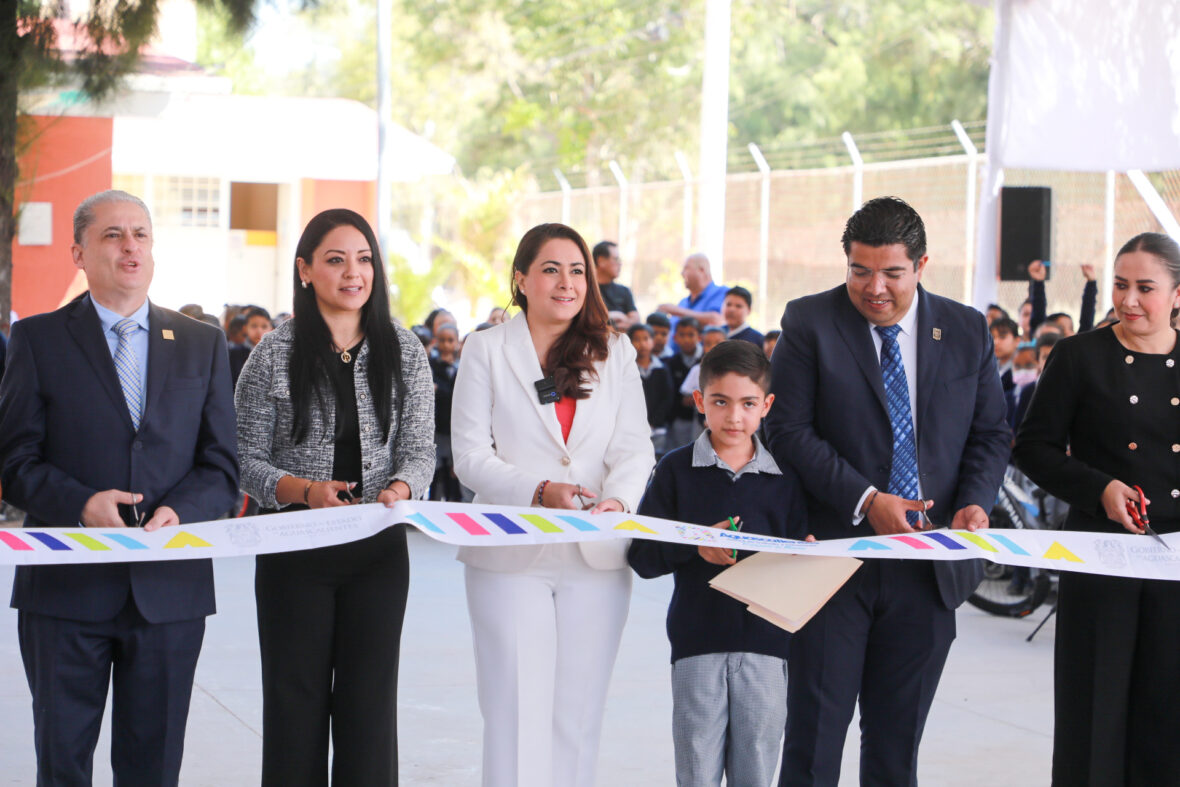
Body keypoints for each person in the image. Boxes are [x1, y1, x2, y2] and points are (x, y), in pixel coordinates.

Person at [766, 196, 1010, 786]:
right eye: (860, 270)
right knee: (815, 742)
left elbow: (990, 433)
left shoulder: (965, 329)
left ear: (922, 265)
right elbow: (787, 430)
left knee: (897, 748)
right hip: (835, 561)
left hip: (929, 568)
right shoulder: (809, 322)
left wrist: (975, 500)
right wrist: (868, 500)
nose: (875, 288)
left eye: (892, 273)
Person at [0, 189, 239, 785]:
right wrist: (80, 503)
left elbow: (221, 467)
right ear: (78, 252)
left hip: (168, 593)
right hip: (66, 592)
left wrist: (179, 511)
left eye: (140, 234)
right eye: (112, 235)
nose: (130, 246)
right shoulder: (37, 340)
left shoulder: (202, 343)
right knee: (63, 763)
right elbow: (15, 459)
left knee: (153, 768)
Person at [235, 208, 435, 786]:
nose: (354, 273)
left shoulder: (404, 349)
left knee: (368, 710)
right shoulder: (272, 354)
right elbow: (246, 460)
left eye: (365, 259)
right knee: (293, 708)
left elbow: (422, 451)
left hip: (376, 550)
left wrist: (399, 487)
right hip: (294, 547)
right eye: (336, 259)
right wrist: (302, 491)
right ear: (305, 270)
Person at [451, 222, 654, 787]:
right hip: (510, 552)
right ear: (520, 279)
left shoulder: (613, 352)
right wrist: (538, 492)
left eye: (577, 270)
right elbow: (469, 455)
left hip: (596, 554)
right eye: (550, 269)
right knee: (515, 712)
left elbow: (635, 445)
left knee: (579, 716)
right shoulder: (486, 350)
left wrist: (619, 500)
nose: (567, 283)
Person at [1013, 232, 1180, 786]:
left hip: (1174, 566)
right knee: (1095, 712)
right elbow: (1033, 447)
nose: (1129, 300)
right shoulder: (1079, 355)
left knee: (1167, 712)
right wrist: (1100, 488)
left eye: (1146, 288)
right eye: (1120, 285)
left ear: (1177, 293)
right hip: (1099, 559)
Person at [628, 340, 807, 787]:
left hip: (767, 647)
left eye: (748, 404)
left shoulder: (785, 478)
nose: (734, 417)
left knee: (756, 770)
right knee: (696, 769)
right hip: (697, 643)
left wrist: (804, 555)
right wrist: (695, 545)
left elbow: (799, 560)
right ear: (699, 401)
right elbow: (643, 557)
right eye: (721, 402)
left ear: (766, 405)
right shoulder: (674, 470)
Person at [628, 323, 673, 456]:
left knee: (657, 459)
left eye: (646, 339)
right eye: (637, 339)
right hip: (633, 428)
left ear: (652, 342)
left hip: (658, 428)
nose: (642, 344)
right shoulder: (627, 370)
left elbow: (667, 398)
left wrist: (654, 422)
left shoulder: (662, 369)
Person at [430, 322, 462, 501]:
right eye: (442, 340)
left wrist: (439, 390)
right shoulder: (431, 365)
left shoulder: (461, 366)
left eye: (450, 340)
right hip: (436, 429)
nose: (446, 345)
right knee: (435, 473)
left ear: (457, 342)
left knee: (454, 475)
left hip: (454, 430)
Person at [658, 252, 727, 328]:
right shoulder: (683, 303)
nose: (682, 273)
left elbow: (718, 320)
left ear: (702, 270)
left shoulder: (723, 293)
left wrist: (676, 311)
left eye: (686, 268)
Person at [665, 316, 703, 450]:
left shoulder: (705, 360)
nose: (686, 339)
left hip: (702, 421)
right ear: (675, 338)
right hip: (680, 419)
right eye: (682, 335)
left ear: (699, 337)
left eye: (691, 335)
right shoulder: (671, 363)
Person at [594, 240, 640, 330]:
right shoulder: (586, 290)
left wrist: (610, 326)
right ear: (601, 261)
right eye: (616, 259)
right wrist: (615, 315)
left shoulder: (624, 291)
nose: (620, 263)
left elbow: (635, 319)